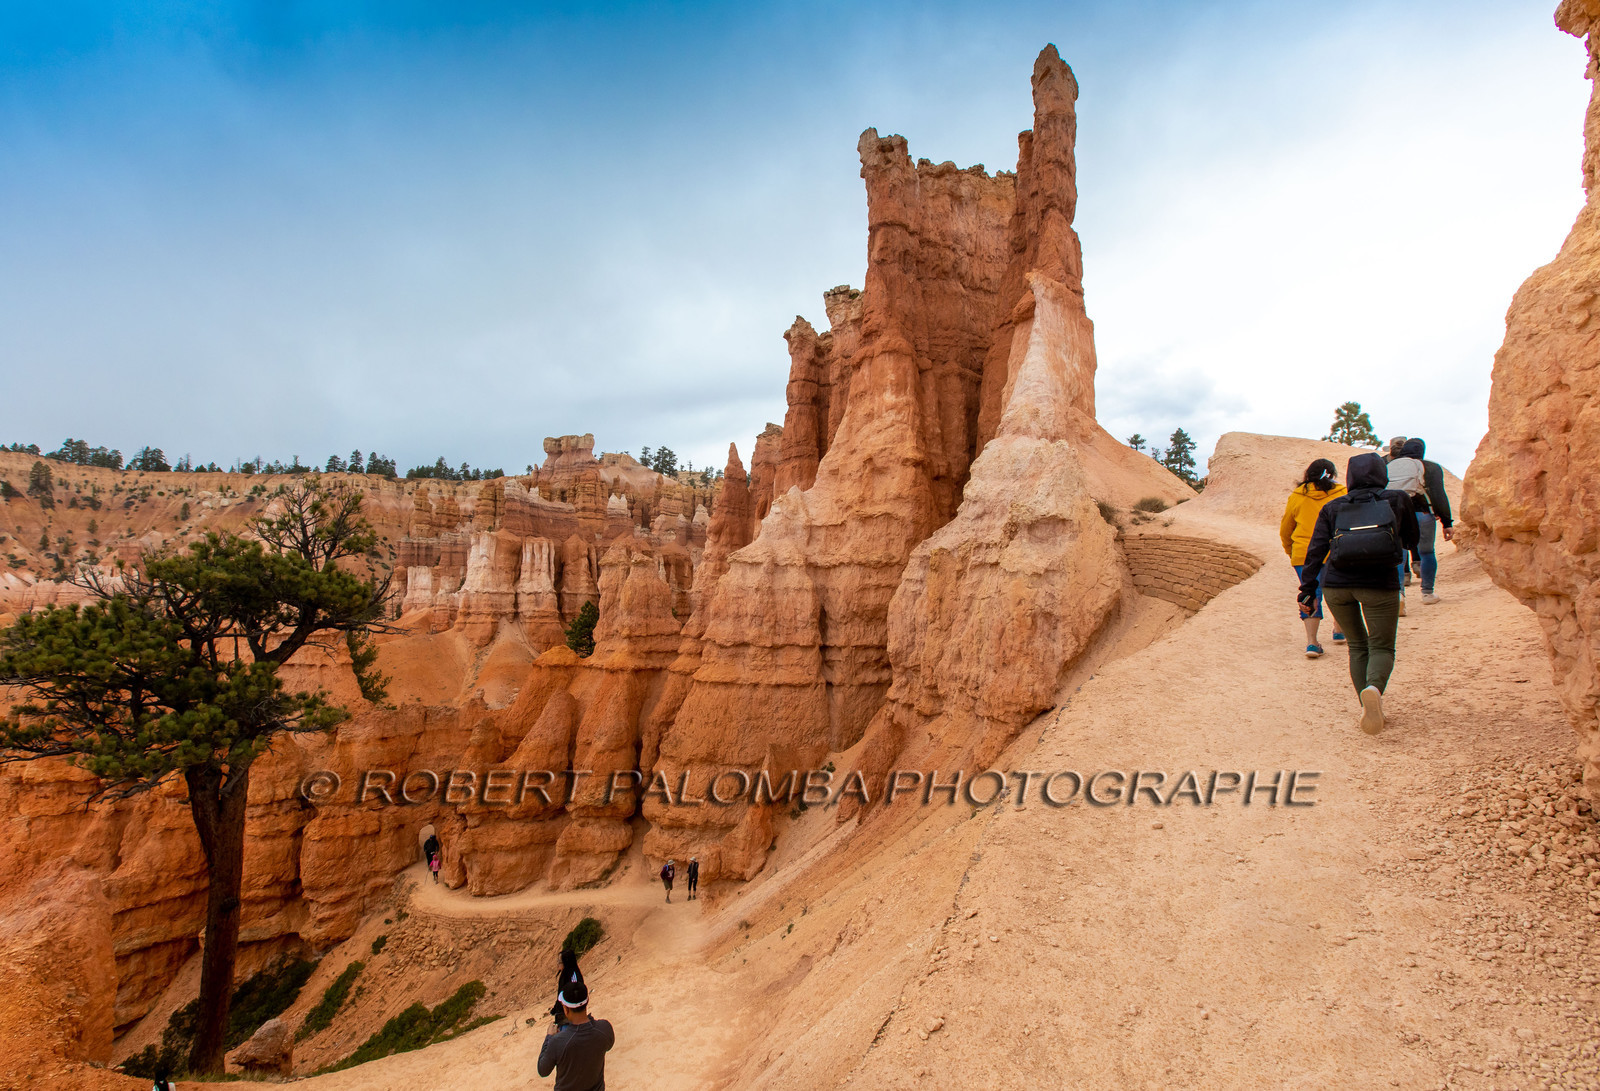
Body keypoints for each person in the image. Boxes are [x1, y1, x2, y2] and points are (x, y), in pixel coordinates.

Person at [1298, 453, 1418, 734]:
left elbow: (1315, 552)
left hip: (1337, 586)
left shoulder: (1333, 506)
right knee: (1382, 646)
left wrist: (1307, 590)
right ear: (1381, 473)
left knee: (1358, 646)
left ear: (1350, 476)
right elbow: (1412, 540)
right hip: (1379, 584)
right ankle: (1374, 690)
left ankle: (1367, 707)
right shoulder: (1397, 499)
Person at [1279, 458, 1347, 658]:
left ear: (1308, 474)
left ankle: (1312, 643)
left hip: (1304, 554)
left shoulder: (1297, 496)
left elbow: (1286, 529)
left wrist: (1291, 551)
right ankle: (1339, 630)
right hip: (1336, 551)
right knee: (1338, 590)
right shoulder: (1342, 493)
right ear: (1332, 475)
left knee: (1311, 593)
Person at [1397, 438, 1454, 605]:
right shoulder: (1430, 467)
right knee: (1427, 553)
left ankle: (1399, 594)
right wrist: (1447, 522)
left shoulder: (1391, 466)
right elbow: (1438, 494)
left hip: (1397, 515)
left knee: (1399, 555)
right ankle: (1427, 593)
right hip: (1422, 514)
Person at [537, 980, 614, 1091]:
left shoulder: (557, 1042)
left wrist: (549, 1037)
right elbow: (608, 1045)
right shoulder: (604, 1028)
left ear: (566, 1009)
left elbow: (543, 1070)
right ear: (587, 1001)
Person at [549, 947, 585, 1029]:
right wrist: (555, 1009)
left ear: (566, 962)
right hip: (562, 1017)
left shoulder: (574, 977)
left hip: (570, 1020)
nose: (557, 964)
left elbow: (576, 998)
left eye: (559, 962)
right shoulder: (564, 974)